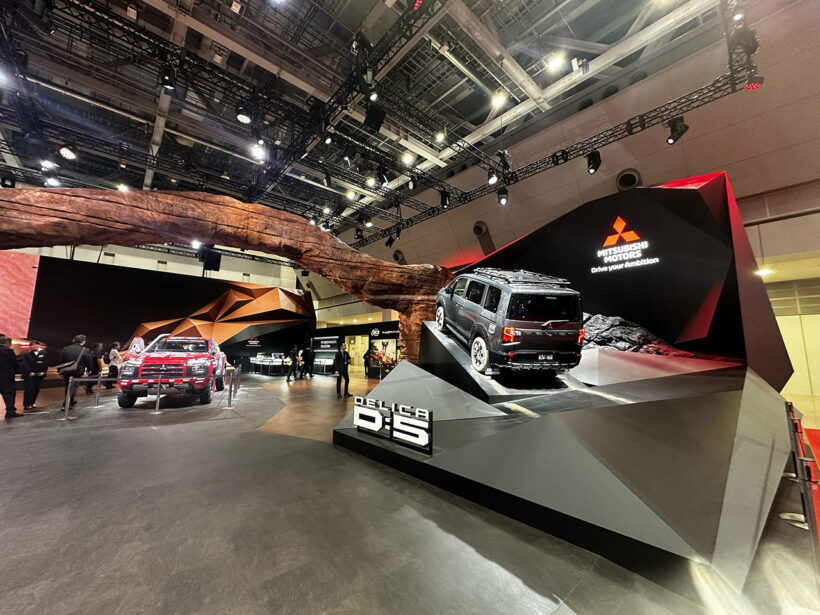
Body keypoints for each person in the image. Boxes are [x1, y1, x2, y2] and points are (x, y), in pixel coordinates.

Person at [58, 334, 94, 410]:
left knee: (68, 386)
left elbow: (61, 361)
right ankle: (66, 404)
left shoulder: (65, 349)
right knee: (73, 387)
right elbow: (89, 361)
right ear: (83, 341)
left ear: (74, 341)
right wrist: (89, 369)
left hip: (66, 371)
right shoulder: (85, 350)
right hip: (77, 371)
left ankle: (71, 401)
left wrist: (59, 371)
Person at [21, 340, 48, 411]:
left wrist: (44, 371)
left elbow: (46, 363)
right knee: (29, 390)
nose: (35, 346)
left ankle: (32, 403)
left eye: (36, 344)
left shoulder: (43, 354)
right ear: (30, 346)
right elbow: (25, 364)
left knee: (36, 389)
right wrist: (30, 372)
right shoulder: (26, 354)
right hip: (29, 375)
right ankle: (27, 404)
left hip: (39, 375)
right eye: (33, 345)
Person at [0, 335, 21, 418]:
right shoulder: (8, 351)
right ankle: (10, 411)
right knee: (8, 394)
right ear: (5, 343)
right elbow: (14, 363)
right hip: (6, 377)